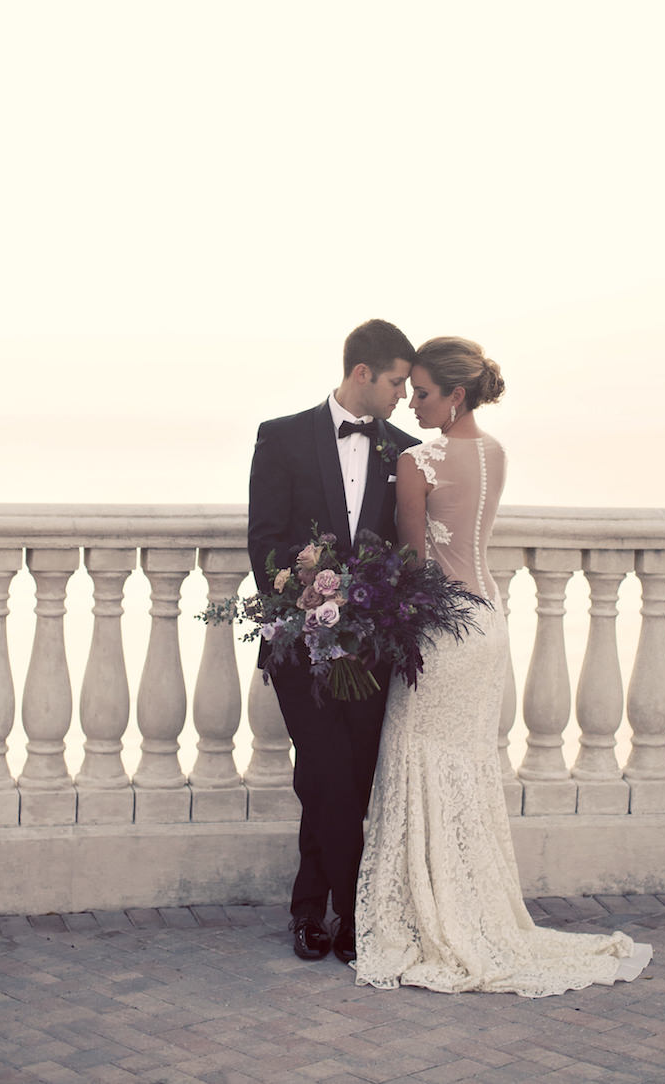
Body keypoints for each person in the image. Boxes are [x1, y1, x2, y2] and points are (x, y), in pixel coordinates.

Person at [354, 336, 653, 996]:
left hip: (442, 629)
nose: (416, 404)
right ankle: (475, 906)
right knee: (465, 767)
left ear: (454, 395)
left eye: (425, 394)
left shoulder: (415, 461)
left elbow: (414, 566)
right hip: (487, 621)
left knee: (420, 757)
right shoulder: (494, 453)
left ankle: (432, 914)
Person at [248, 318, 420, 963]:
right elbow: (264, 542)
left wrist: (369, 619)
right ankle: (350, 916)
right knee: (324, 774)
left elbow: (406, 556)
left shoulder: (401, 452)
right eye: (397, 382)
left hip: (372, 649)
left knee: (348, 779)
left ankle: (310, 910)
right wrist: (308, 606)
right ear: (361, 374)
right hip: (300, 645)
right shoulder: (283, 437)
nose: (403, 395)